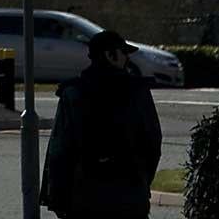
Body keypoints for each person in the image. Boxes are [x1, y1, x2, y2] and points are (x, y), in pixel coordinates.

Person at [40, 28, 162, 219]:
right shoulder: (137, 91)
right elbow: (153, 142)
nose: (127, 59)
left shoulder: (73, 93)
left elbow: (60, 149)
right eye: (123, 53)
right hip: (130, 194)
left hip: (84, 195)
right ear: (110, 55)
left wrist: (57, 197)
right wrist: (142, 182)